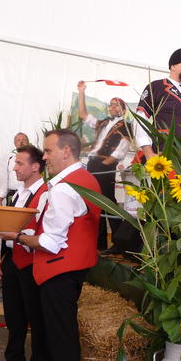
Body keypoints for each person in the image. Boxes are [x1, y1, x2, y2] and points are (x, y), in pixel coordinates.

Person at [0, 129, 101, 361]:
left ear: (66, 151)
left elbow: (50, 242)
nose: (44, 157)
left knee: (61, 336)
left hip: (59, 270)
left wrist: (17, 237)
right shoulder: (86, 179)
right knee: (59, 333)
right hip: (74, 267)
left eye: (48, 151)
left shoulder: (65, 188)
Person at [0, 145, 50, 361]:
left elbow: (43, 232)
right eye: (15, 163)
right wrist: (3, 257)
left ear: (35, 166)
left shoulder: (46, 194)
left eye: (20, 163)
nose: (14, 168)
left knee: (36, 319)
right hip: (14, 259)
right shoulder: (19, 194)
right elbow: (9, 229)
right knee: (13, 316)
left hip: (32, 262)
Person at [77, 81, 131, 250]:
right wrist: (81, 92)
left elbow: (122, 149)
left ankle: (119, 243)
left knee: (108, 202)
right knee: (94, 202)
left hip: (105, 165)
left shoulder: (126, 126)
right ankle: (99, 243)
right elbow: (83, 115)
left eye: (115, 105)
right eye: (111, 104)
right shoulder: (104, 122)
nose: (112, 107)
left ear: (123, 110)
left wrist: (105, 163)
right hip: (93, 163)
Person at [134, 47, 181, 160]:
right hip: (164, 156)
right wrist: (148, 153)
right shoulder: (157, 87)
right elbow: (140, 119)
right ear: (173, 66)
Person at [0, 132, 29, 205]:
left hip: (27, 195)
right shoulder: (10, 160)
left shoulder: (34, 160)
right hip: (12, 195)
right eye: (18, 140)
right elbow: (5, 180)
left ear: (28, 142)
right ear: (15, 144)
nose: (21, 142)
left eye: (24, 140)